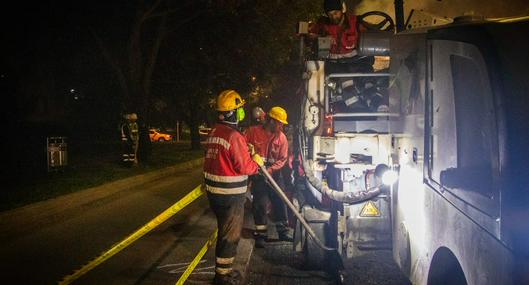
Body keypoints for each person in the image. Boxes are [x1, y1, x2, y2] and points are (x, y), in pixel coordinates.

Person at [203, 89, 263, 285]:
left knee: (223, 233)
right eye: (240, 109)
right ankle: (222, 278)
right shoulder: (233, 135)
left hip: (215, 195)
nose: (242, 112)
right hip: (231, 197)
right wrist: (257, 163)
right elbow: (244, 167)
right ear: (233, 112)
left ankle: (222, 274)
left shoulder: (214, 131)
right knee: (230, 238)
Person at [245, 106, 291, 248]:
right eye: (279, 122)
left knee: (280, 201)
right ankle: (261, 234)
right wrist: (250, 151)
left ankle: (282, 231)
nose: (281, 126)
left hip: (275, 175)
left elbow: (283, 159)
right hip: (258, 174)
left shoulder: (282, 138)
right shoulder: (254, 132)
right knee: (260, 204)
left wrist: (270, 170)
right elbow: (242, 144)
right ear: (271, 120)